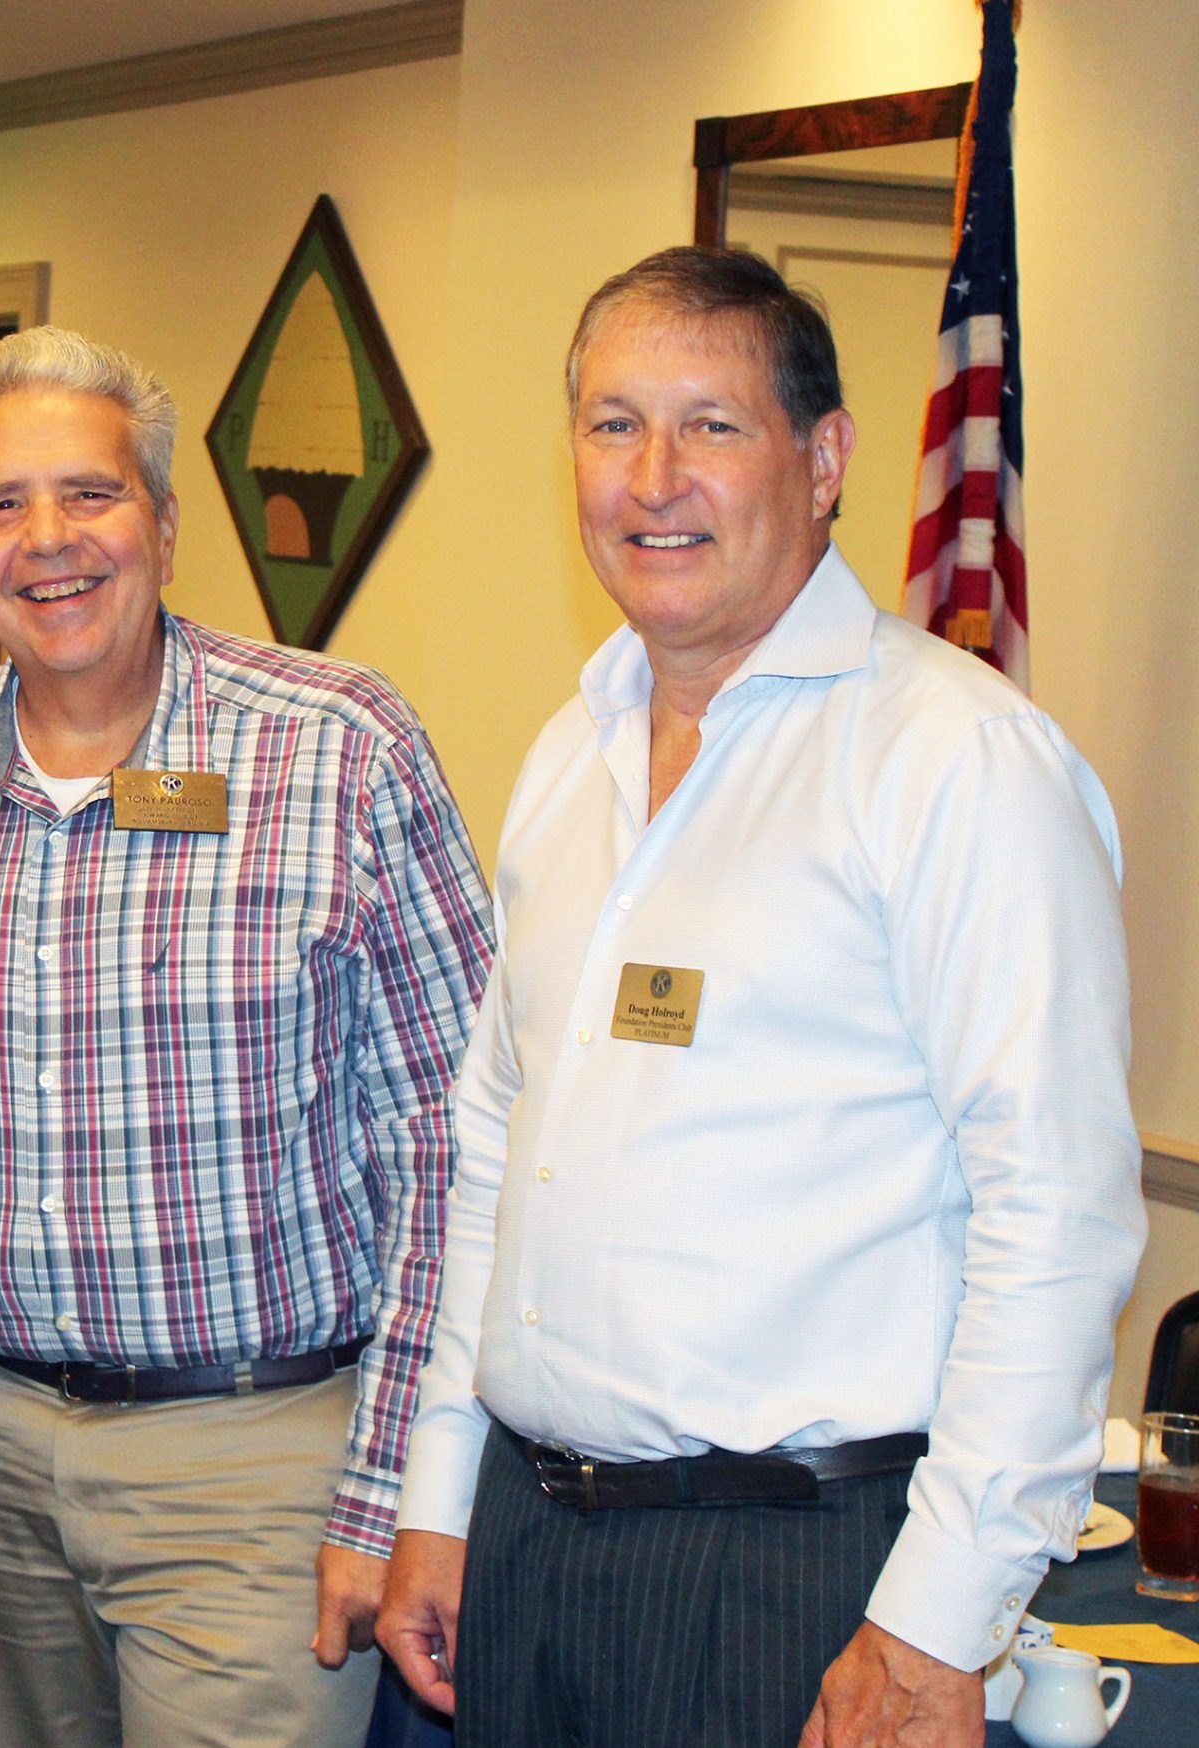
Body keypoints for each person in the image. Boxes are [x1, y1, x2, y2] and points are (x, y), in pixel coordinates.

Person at [375, 247, 1146, 1748]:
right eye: (613, 425)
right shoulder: (569, 754)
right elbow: (494, 1163)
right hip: (532, 1546)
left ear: (826, 458)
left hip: (803, 1575)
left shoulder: (959, 764)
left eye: (712, 426)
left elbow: (1053, 1214)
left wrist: (936, 1625)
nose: (654, 478)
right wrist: (440, 1497)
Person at [0, 326, 493, 1748]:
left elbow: (452, 1149)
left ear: (167, 526)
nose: (46, 541)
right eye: (1, 504)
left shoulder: (341, 749)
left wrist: (395, 1492)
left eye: (91, 494)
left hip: (255, 1457)